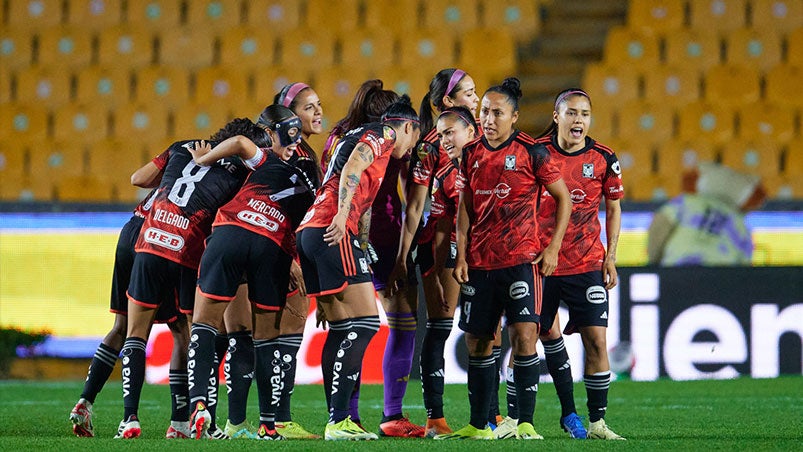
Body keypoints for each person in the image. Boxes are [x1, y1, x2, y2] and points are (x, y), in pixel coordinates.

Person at [435, 78, 571, 440]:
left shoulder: (533, 151)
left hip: (522, 262)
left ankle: (522, 422)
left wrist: (553, 247)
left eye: (498, 112)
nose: (490, 119)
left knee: (525, 336)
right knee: (477, 341)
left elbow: (565, 199)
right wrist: (461, 253)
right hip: (480, 263)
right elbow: (464, 205)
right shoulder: (470, 153)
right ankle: (480, 425)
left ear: (514, 116)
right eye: (485, 112)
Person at [115, 118, 267, 439]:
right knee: (193, 333)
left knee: (135, 334)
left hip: (151, 242)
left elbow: (138, 178)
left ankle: (129, 419)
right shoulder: (243, 173)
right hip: (188, 253)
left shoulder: (181, 146)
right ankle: (186, 420)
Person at [186, 105, 317, 441]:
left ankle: (199, 405)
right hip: (270, 247)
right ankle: (268, 424)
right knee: (266, 338)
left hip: (230, 233)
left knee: (204, 324)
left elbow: (242, 142)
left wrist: (205, 159)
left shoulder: (267, 162)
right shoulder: (312, 192)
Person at [296, 95, 420, 440]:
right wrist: (340, 214)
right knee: (365, 324)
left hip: (312, 230)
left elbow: (363, 202)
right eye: (413, 139)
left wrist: (362, 242)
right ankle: (339, 421)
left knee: (340, 329)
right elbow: (351, 169)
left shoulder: (355, 136)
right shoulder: (383, 134)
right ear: (408, 127)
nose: (410, 150)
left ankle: (340, 420)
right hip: (332, 228)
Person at [386, 68, 483, 437]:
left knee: (486, 331)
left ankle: (488, 417)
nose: (476, 100)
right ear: (448, 101)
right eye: (469, 94)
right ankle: (436, 418)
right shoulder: (430, 147)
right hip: (440, 244)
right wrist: (402, 257)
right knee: (441, 328)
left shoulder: (486, 142)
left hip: (485, 248)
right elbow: (416, 208)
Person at [69, 153, 193, 439]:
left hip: (130, 230)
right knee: (179, 328)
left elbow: (137, 179)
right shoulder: (221, 170)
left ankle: (85, 401)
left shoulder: (181, 154)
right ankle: (177, 422)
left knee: (122, 327)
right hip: (161, 236)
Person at [533, 88, 626, 440]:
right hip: (543, 262)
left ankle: (597, 422)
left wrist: (611, 257)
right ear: (557, 116)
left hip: (587, 261)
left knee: (597, 343)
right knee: (536, 337)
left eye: (585, 114)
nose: (579, 120)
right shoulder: (537, 154)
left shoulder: (603, 158)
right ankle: (558, 413)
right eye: (571, 113)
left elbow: (614, 208)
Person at [647, 162, 765, 266]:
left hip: (676, 273)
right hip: (716, 283)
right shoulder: (741, 225)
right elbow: (745, 271)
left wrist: (654, 264)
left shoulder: (686, 202)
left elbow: (659, 227)